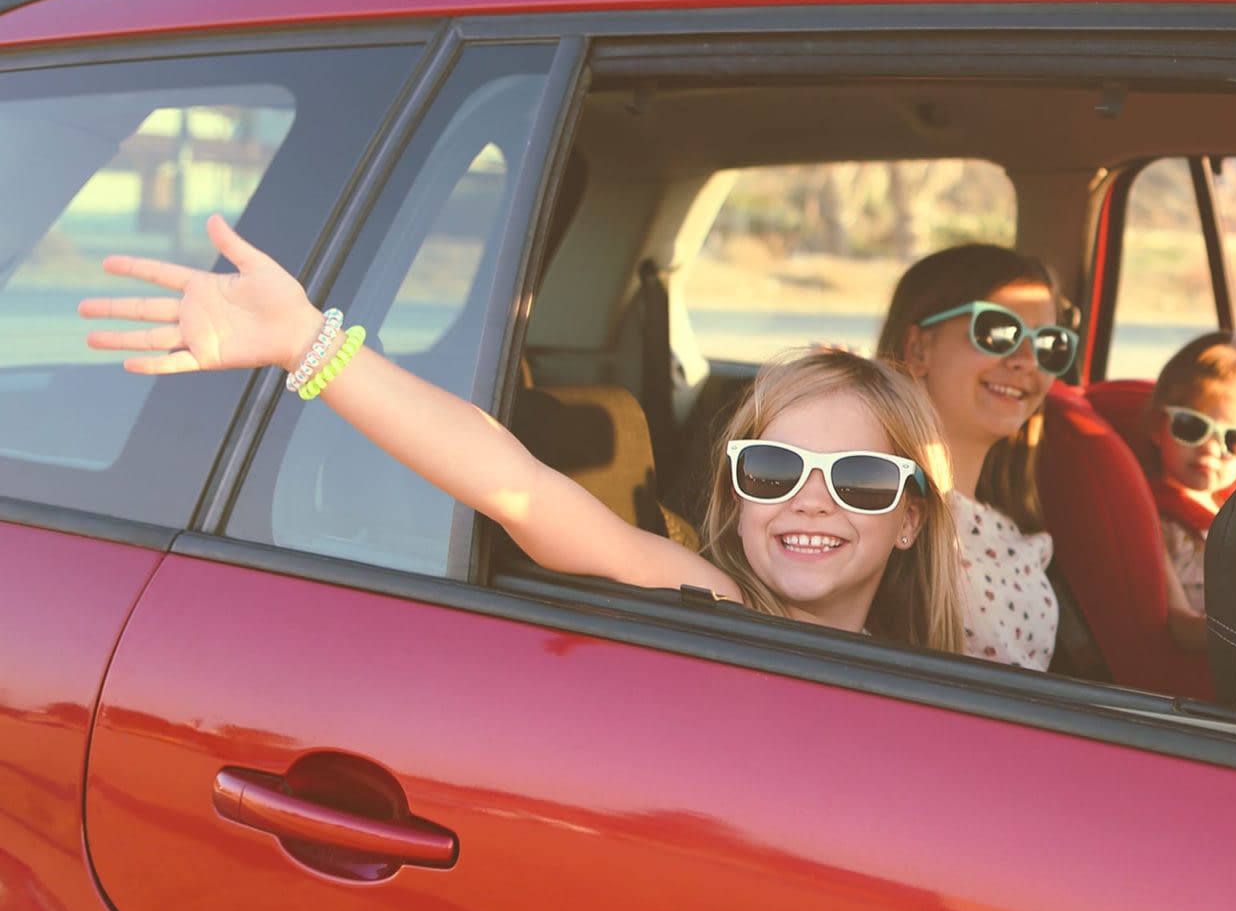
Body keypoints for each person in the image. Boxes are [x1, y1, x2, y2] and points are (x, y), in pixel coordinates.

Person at [80, 214, 967, 651]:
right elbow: (517, 487)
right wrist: (310, 346)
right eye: (772, 469)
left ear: (912, 515)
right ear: (736, 490)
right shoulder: (716, 602)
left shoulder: (935, 662)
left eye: (858, 480)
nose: (811, 499)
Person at [878, 244, 1078, 670]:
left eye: (1049, 344)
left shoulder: (1007, 525)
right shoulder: (874, 509)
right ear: (918, 349)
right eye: (998, 332)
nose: (1026, 361)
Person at [1144, 332, 1236, 652]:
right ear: (1158, 426)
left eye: (1235, 439)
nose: (1210, 449)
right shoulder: (1153, 520)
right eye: (1192, 427)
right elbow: (1180, 626)